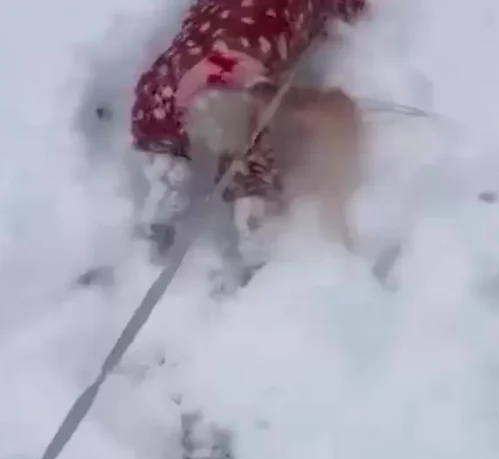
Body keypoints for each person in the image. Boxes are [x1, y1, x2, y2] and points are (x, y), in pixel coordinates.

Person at [131, 0, 368, 265]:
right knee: (256, 127)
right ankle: (255, 220)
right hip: (248, 78)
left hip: (189, 67)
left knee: (171, 100)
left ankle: (167, 179)